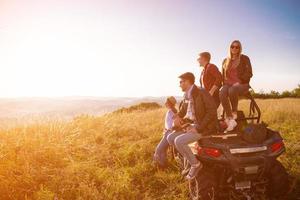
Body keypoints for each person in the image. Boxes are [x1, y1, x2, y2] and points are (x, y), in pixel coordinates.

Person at [167, 72, 218, 180]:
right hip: (192, 124)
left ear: (187, 81)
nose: (179, 84)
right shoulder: (186, 94)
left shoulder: (201, 92)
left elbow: (212, 112)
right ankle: (189, 160)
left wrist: (198, 127)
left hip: (205, 127)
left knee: (179, 141)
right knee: (170, 138)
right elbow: (183, 110)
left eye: (181, 82)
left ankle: (196, 165)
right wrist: (176, 117)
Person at [219, 40, 253, 132]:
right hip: (228, 84)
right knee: (222, 92)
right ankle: (230, 119)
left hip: (242, 84)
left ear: (239, 48)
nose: (234, 48)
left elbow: (249, 73)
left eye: (237, 47)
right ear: (229, 48)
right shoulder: (225, 60)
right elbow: (222, 76)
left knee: (232, 90)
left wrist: (240, 81)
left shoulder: (244, 58)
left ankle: (234, 112)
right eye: (232, 46)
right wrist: (222, 85)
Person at [153, 96, 177, 168]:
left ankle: (157, 164)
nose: (165, 103)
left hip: (169, 133)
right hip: (168, 133)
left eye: (166, 102)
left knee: (159, 149)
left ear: (170, 103)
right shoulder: (174, 110)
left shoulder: (170, 112)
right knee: (163, 150)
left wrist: (167, 130)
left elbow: (171, 125)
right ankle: (163, 164)